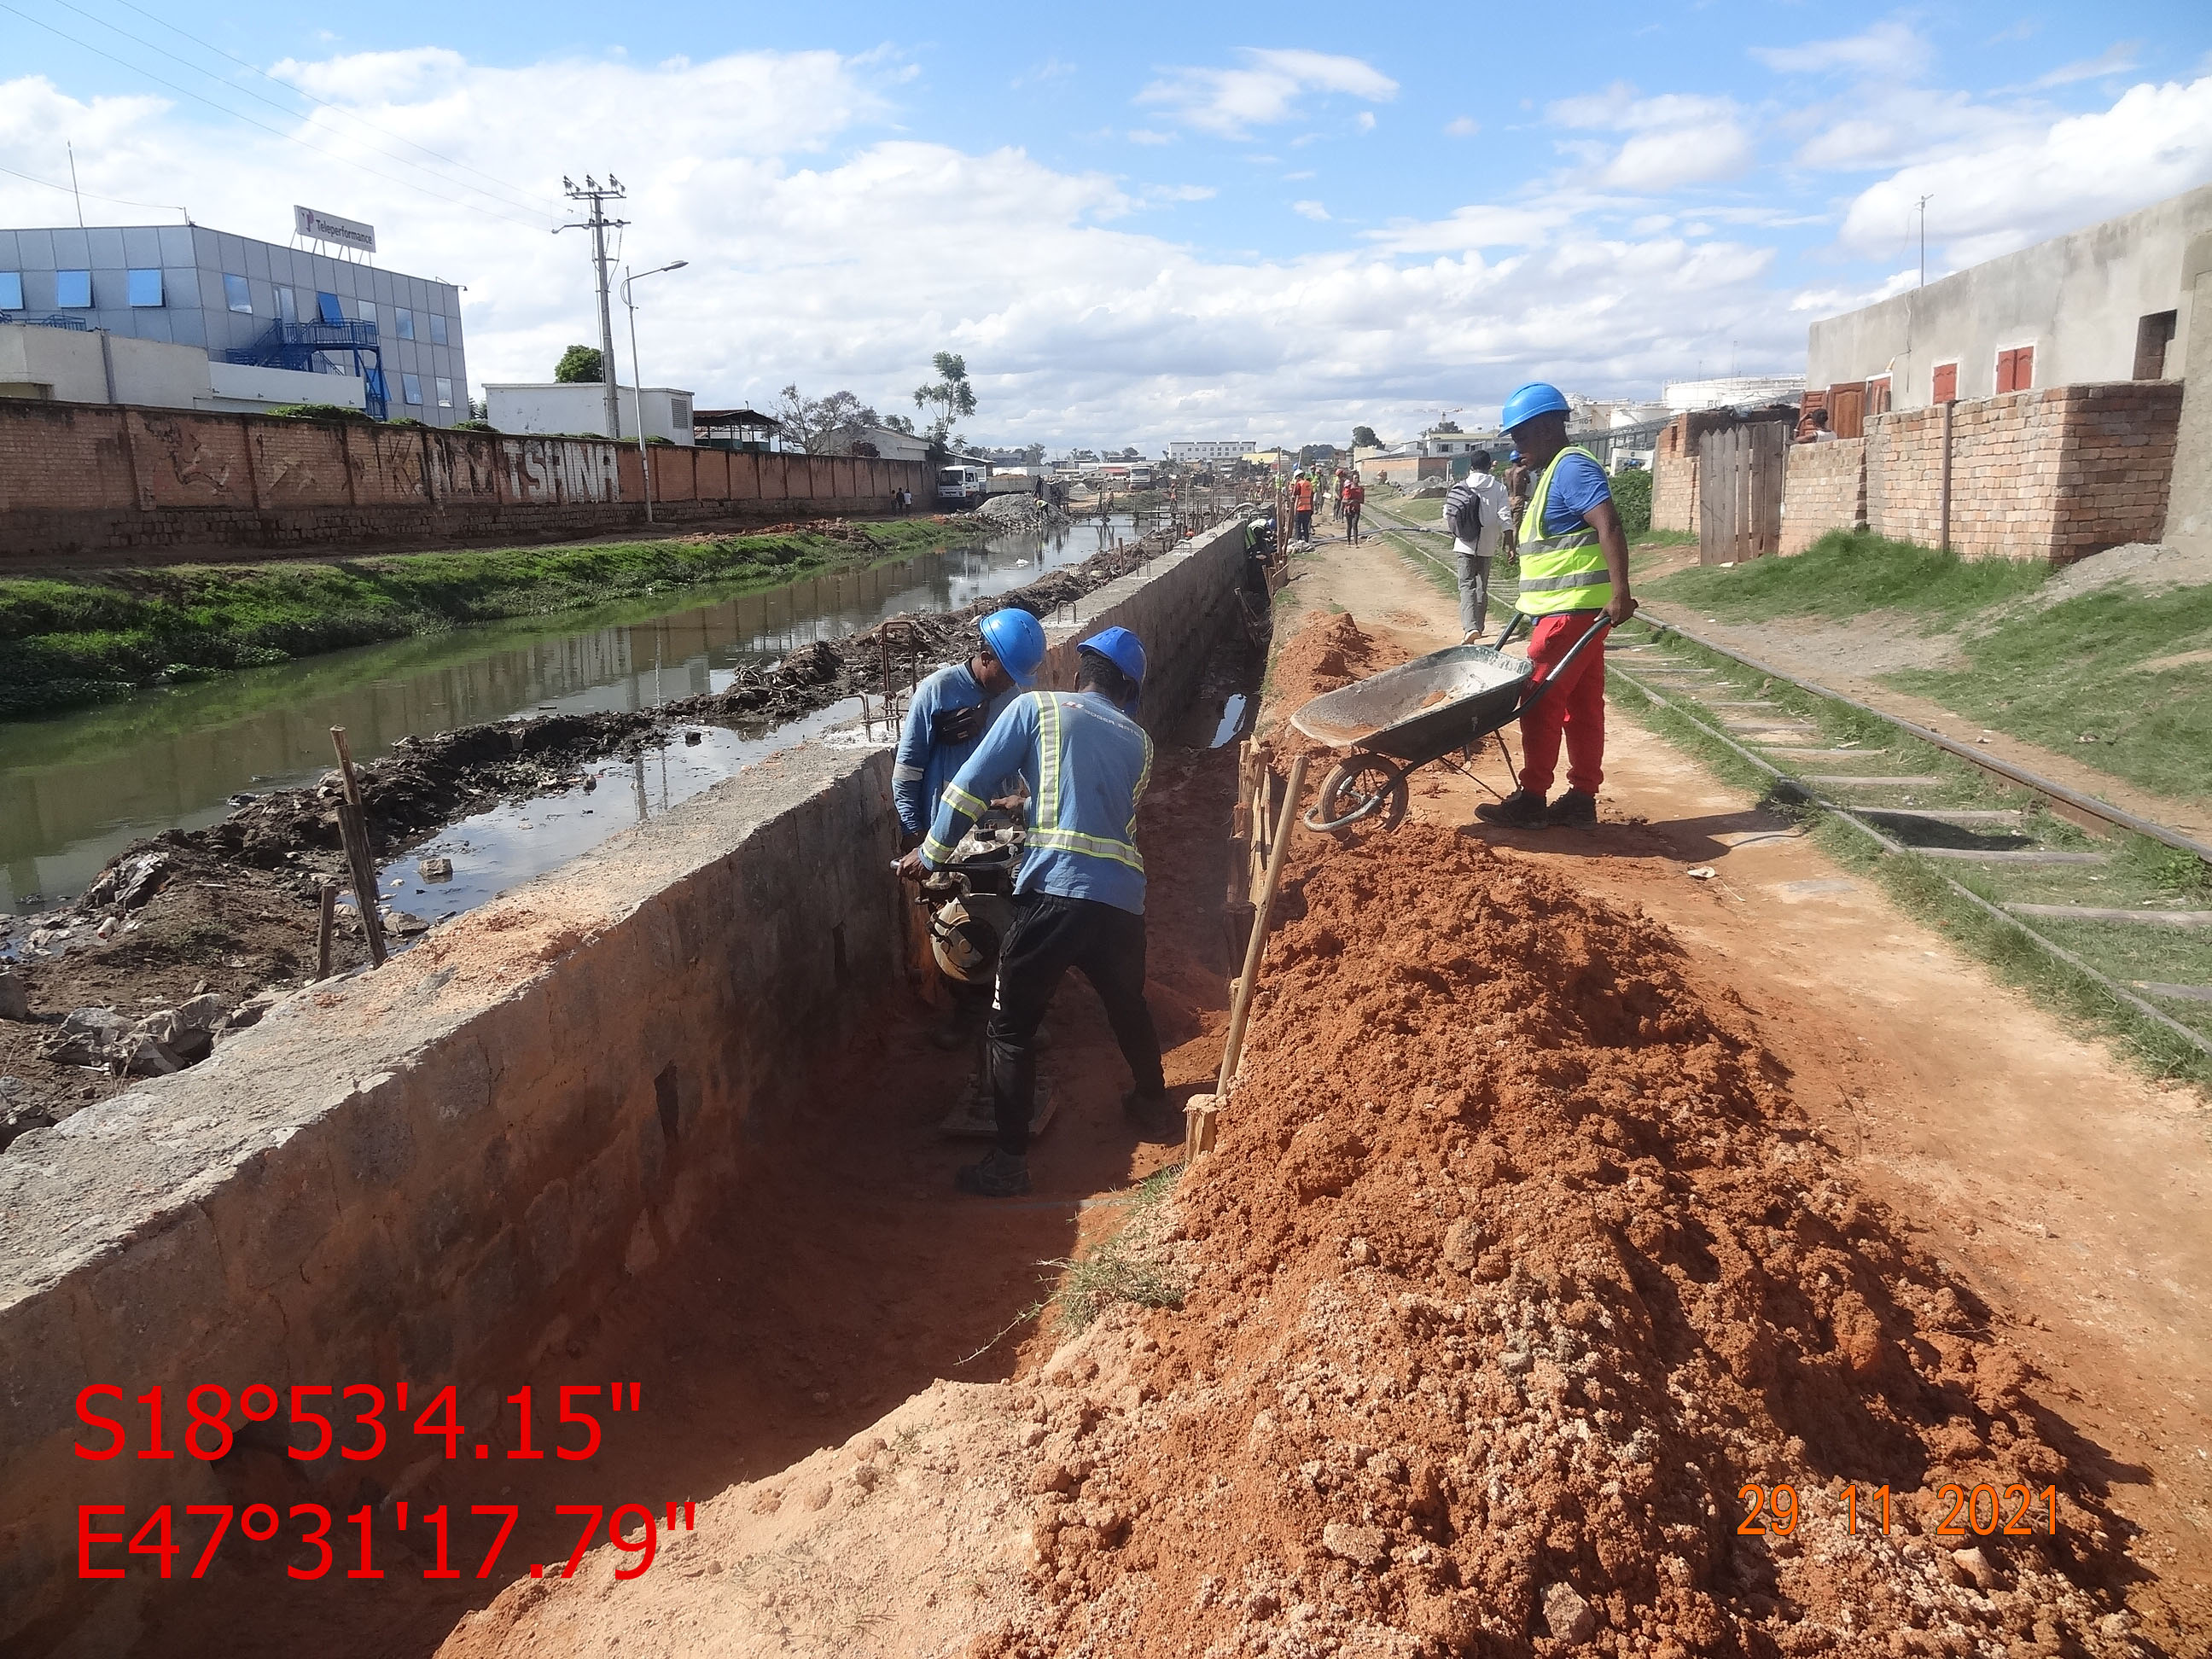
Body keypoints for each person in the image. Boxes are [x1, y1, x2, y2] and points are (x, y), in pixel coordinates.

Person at [900, 626, 1170, 1196]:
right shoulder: (1141, 743)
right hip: (1122, 899)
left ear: (1078, 674)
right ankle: (1153, 1104)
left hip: (1056, 893)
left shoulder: (1035, 706)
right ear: (1127, 693)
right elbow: (1103, 805)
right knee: (1126, 1005)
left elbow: (969, 786)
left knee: (1010, 1026)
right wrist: (1032, 799)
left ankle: (1009, 1162)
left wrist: (930, 854)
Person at [1474, 381, 1638, 831]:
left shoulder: (1571, 469)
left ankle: (1531, 799)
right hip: (1579, 613)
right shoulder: (1554, 474)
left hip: (1568, 616)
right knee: (1583, 707)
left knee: (1539, 702)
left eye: (1521, 436)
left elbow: (1608, 524)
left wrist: (1621, 591)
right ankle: (1582, 797)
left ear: (1547, 428)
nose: (1517, 446)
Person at [1444, 451, 1510, 641]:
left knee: (1466, 585)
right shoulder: (1499, 488)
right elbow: (1505, 516)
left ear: (1471, 467)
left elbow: (1447, 513)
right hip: (1488, 543)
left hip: (1464, 542)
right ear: (1489, 466)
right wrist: (1510, 541)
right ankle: (1478, 626)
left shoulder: (1460, 486)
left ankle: (1470, 627)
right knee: (1482, 585)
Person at [1290, 470, 1315, 542]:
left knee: (1298, 526)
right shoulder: (1309, 484)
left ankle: (1298, 542)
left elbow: (1297, 498)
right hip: (1308, 509)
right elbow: (1311, 497)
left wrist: (1295, 510)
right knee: (1305, 527)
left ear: (1298, 477)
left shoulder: (1299, 484)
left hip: (1300, 508)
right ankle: (1306, 542)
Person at [1342, 472, 1365, 544]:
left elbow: (1362, 501)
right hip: (1348, 510)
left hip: (1356, 509)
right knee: (1349, 526)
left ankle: (1355, 542)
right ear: (1352, 479)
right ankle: (1348, 541)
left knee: (1355, 525)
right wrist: (1351, 502)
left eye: (1358, 478)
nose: (1357, 479)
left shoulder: (1361, 489)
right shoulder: (1348, 489)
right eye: (1355, 478)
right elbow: (1343, 501)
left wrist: (1356, 501)